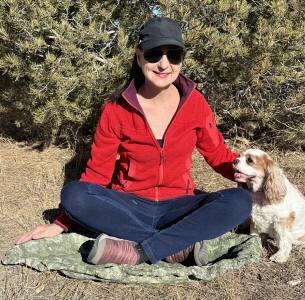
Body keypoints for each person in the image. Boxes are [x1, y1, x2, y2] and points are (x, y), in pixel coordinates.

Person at [16, 17, 252, 266]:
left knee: (239, 201)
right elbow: (98, 171)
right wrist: (61, 223)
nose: (164, 64)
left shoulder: (196, 104)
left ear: (182, 59)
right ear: (139, 57)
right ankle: (176, 246)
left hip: (178, 205)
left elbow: (218, 155)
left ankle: (137, 250)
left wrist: (259, 175)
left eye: (173, 55)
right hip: (129, 206)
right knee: (74, 194)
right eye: (153, 55)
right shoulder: (116, 108)